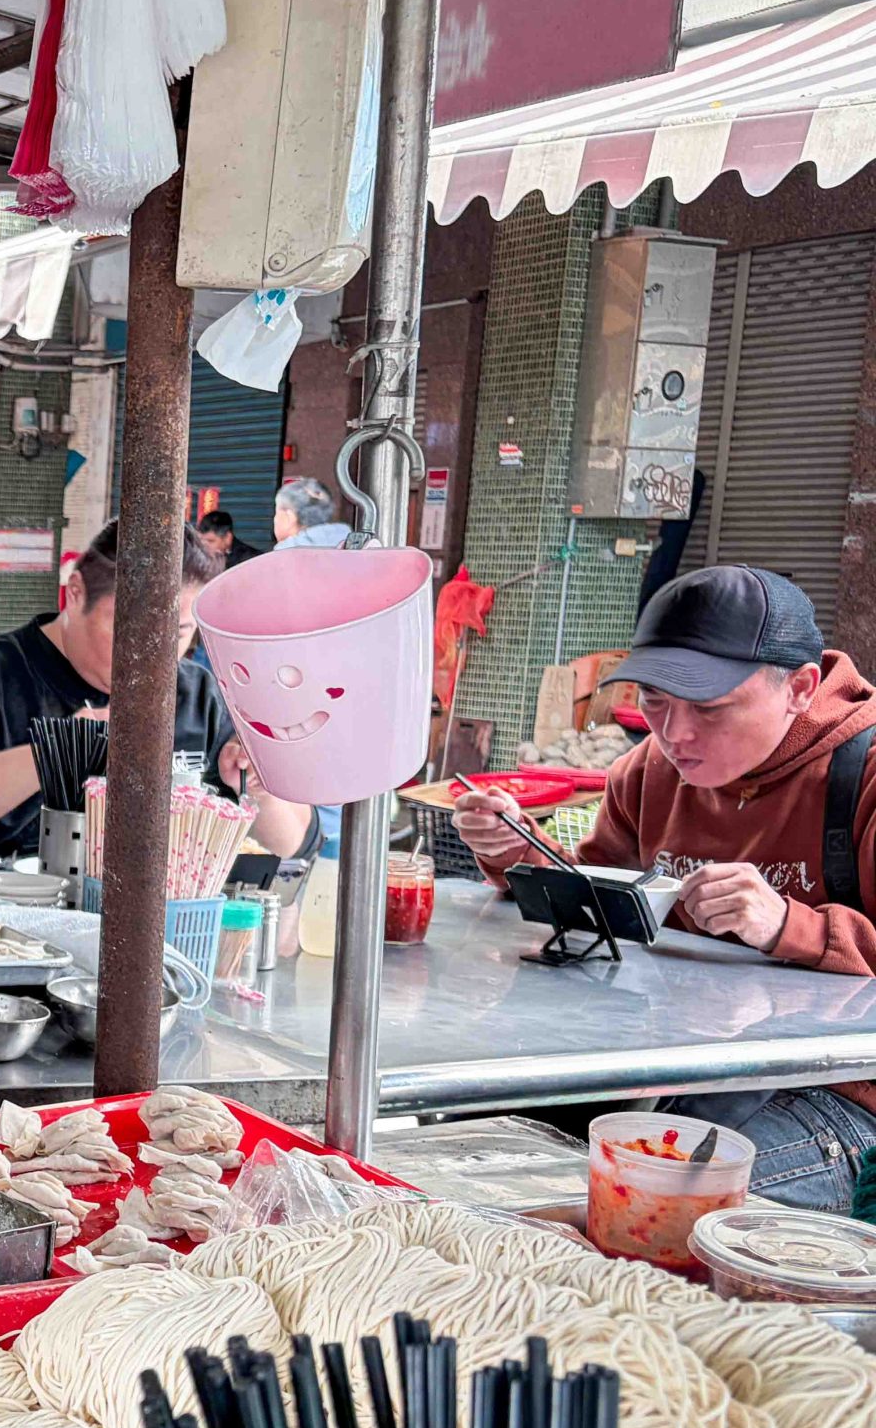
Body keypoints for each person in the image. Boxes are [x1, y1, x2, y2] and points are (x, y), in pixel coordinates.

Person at [455, 566, 876, 1209]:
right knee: (476, 1166)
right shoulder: (649, 772)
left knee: (646, 1209)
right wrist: (515, 851)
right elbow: (603, 897)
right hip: (668, 1064)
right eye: (655, 699)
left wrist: (791, 926)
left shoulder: (864, 774)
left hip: (841, 1092)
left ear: (799, 688)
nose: (674, 733)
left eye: (708, 708)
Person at [0, 523, 316, 884]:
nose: (151, 655)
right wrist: (54, 753)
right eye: (128, 629)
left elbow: (296, 846)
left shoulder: (201, 698)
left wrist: (259, 788)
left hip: (157, 940)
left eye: (178, 633)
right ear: (76, 592)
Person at [271, 478, 352, 550]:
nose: (275, 519)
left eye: (277, 513)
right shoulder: (351, 543)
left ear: (289, 517)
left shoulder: (283, 553)